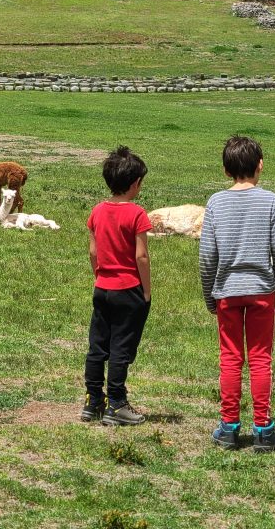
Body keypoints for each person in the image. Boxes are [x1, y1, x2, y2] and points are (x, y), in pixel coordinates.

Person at [200, 135, 275, 451]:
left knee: (230, 357)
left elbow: (207, 255)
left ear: (226, 170)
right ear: (260, 165)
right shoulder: (271, 202)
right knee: (260, 358)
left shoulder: (215, 203)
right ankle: (264, 429)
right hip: (262, 290)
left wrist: (209, 293)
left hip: (226, 290)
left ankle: (228, 427)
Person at [82, 146, 152, 426]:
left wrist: (99, 275)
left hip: (103, 288)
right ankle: (117, 403)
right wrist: (145, 291)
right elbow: (141, 256)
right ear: (135, 184)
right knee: (121, 349)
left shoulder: (97, 211)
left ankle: (92, 400)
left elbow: (92, 252)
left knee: (97, 346)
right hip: (128, 290)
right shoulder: (137, 214)